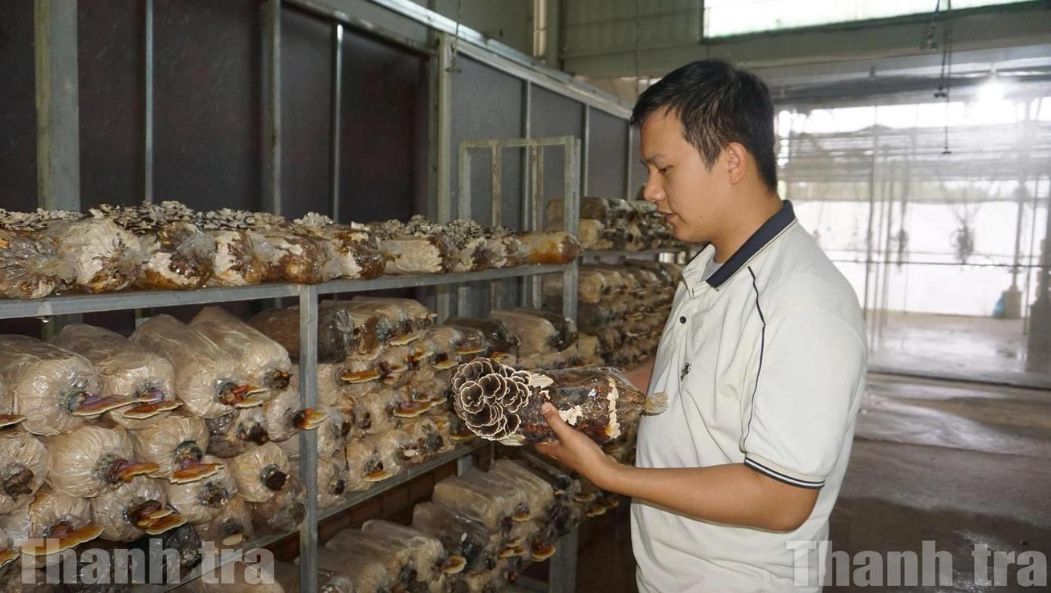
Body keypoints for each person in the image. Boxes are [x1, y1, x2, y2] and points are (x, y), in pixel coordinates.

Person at [535, 60, 868, 592]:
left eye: (664, 169)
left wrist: (610, 474)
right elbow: (686, 371)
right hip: (675, 573)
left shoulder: (802, 305)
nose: (650, 191)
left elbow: (782, 499)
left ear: (732, 161)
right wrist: (584, 395)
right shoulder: (712, 267)